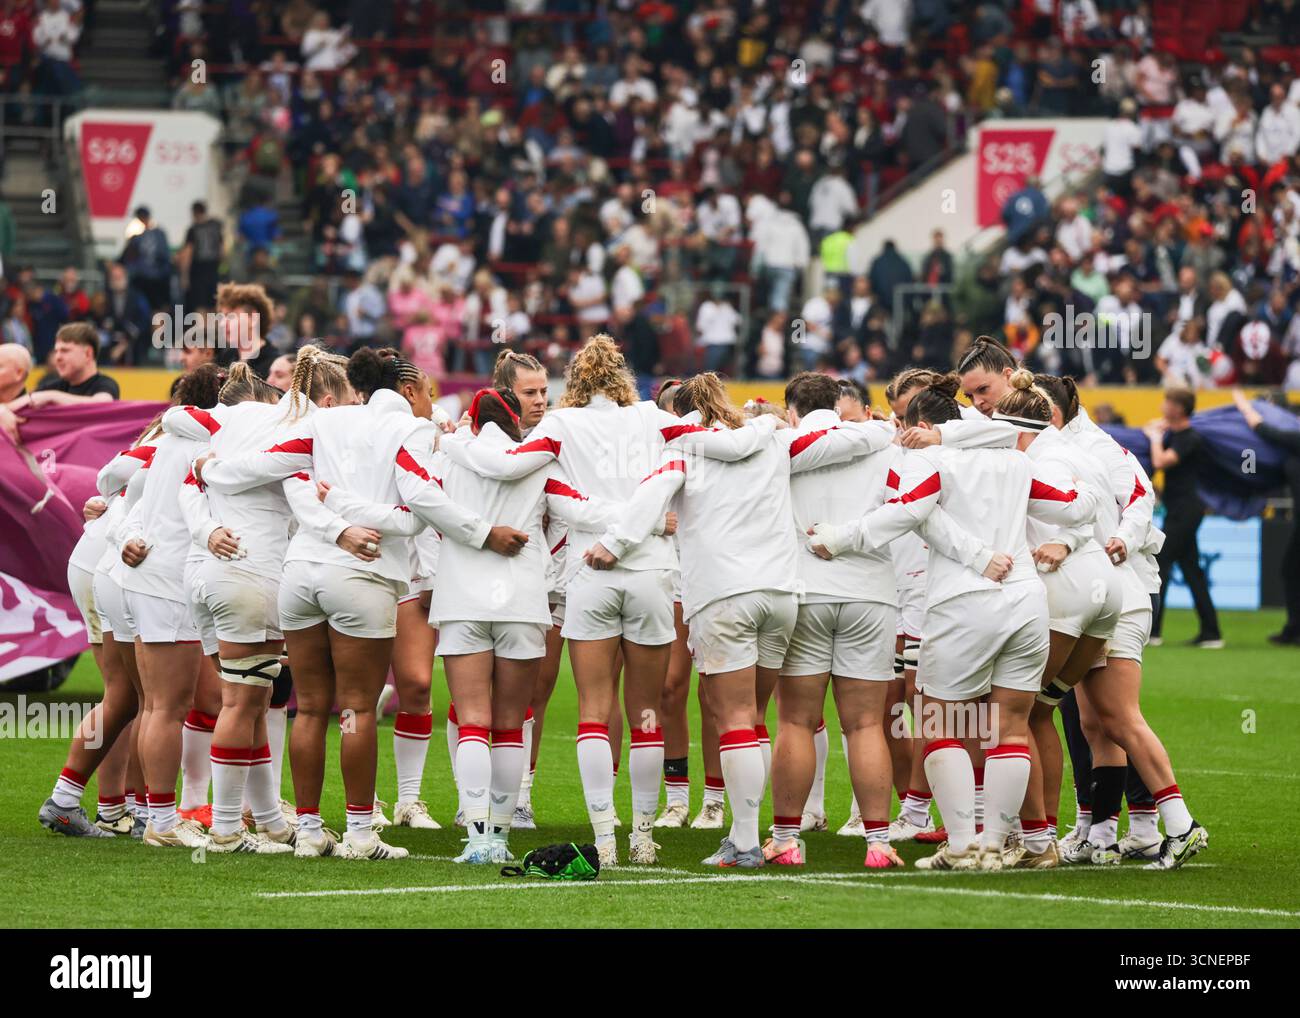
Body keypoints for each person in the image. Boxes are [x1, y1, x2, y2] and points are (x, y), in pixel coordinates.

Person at [193, 349, 529, 859]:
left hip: (300, 575)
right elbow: (422, 508)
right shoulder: (405, 430)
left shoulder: (321, 424)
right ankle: (359, 833)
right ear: (405, 389)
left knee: (308, 710)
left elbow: (258, 469)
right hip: (361, 578)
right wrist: (483, 532)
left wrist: (207, 467)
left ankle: (307, 831)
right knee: (355, 710)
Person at [809, 374, 1102, 871]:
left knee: (941, 722)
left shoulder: (934, 459)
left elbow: (905, 513)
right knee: (1009, 726)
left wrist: (838, 538)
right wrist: (1090, 491)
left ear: (925, 425)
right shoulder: (1016, 460)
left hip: (962, 603)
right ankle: (1012, 845)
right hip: (1026, 602)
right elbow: (1076, 509)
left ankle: (964, 845)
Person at [586, 373, 798, 868]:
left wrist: (611, 544)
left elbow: (649, 498)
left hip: (725, 593)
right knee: (756, 718)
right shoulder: (772, 440)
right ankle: (752, 833)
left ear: (681, 413)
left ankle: (744, 842)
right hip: (782, 591)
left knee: (735, 719)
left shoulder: (681, 448)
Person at [1146, 386, 1222, 647]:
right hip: (1182, 508)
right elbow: (1156, 425)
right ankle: (1211, 633)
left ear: (1178, 408)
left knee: (1161, 564)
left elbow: (1161, 461)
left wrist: (1155, 438)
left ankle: (1153, 631)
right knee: (1191, 570)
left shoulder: (1189, 438)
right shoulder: (1179, 433)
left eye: (1168, 401)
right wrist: (1159, 429)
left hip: (1186, 510)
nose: (1163, 404)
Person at [1234, 389, 1300, 645]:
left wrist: (1244, 405)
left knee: (1290, 570)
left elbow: (1263, 429)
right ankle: (1294, 629)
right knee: (1290, 570)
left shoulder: (1295, 440)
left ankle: (1294, 629)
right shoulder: (1292, 448)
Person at [25, 323, 120, 404]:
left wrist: (52, 396)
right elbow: (23, 401)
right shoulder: (54, 386)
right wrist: (8, 412)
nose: (57, 357)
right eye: (56, 351)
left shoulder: (105, 384)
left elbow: (102, 403)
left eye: (65, 351)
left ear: (88, 354)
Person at [181, 201, 224, 312]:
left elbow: (188, 254)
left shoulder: (193, 229)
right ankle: (213, 329)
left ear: (194, 213)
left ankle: (201, 329)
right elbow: (222, 251)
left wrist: (184, 276)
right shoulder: (215, 227)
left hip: (198, 271)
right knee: (213, 304)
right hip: (213, 269)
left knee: (200, 304)